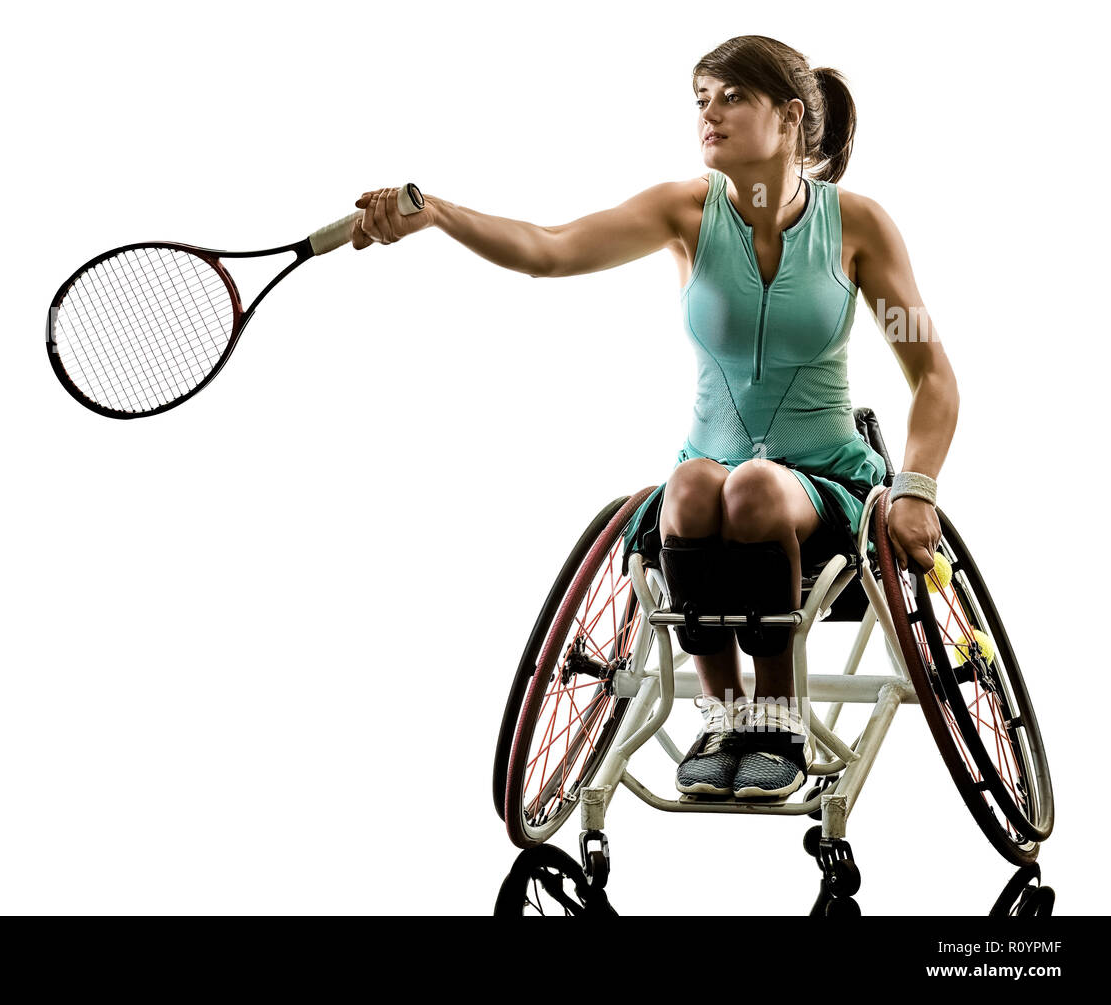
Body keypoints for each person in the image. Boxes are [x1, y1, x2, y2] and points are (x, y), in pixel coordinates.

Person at [350, 35, 958, 801]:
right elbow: (549, 248)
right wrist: (435, 212)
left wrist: (918, 487)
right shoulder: (683, 213)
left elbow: (931, 375)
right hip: (705, 485)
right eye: (701, 97)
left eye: (732, 96)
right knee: (695, 487)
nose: (710, 113)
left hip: (823, 487)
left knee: (759, 488)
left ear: (790, 115)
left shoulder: (858, 228)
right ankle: (723, 708)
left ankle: (777, 714)